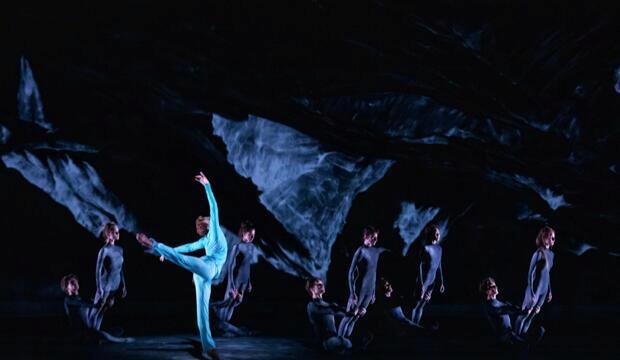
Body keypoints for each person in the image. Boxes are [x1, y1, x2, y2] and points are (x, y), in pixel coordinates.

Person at [136, 171, 227, 360]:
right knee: (200, 307)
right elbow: (214, 208)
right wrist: (207, 185)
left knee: (201, 311)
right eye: (207, 219)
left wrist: (170, 254)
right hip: (205, 269)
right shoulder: (214, 232)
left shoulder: (210, 237)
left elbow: (188, 247)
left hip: (205, 269)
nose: (209, 218)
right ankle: (154, 245)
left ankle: (208, 347)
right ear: (208, 224)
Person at [338, 226, 387, 338]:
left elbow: (373, 273)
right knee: (349, 317)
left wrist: (373, 291)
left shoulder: (374, 251)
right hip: (359, 290)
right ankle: (338, 342)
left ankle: (345, 343)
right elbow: (351, 272)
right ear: (366, 236)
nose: (375, 240)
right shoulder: (361, 250)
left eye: (376, 238)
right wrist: (352, 292)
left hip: (369, 292)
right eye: (373, 237)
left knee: (355, 319)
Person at [212, 220, 257, 336]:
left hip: (244, 280)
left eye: (253, 235)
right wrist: (231, 283)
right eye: (249, 234)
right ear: (243, 233)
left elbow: (248, 265)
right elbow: (230, 265)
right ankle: (219, 316)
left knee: (236, 302)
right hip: (235, 280)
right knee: (230, 301)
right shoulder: (237, 247)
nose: (252, 236)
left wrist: (249, 282)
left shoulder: (251, 247)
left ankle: (219, 316)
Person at [60, 274, 133, 343]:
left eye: (75, 281)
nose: (75, 283)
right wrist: (103, 302)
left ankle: (100, 338)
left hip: (90, 330)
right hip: (80, 334)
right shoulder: (68, 300)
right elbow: (90, 305)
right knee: (101, 334)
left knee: (119, 330)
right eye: (72, 282)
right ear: (66, 288)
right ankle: (121, 340)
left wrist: (108, 303)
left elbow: (95, 306)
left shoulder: (81, 297)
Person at [515, 226, 556, 336]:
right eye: (551, 238)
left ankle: (521, 338)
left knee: (532, 317)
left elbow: (548, 274)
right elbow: (530, 273)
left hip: (543, 291)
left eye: (554, 238)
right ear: (545, 237)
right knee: (524, 315)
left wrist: (550, 291)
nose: (553, 240)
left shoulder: (551, 254)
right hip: (535, 291)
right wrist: (532, 292)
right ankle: (515, 338)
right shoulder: (538, 253)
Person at [92, 222, 127, 331]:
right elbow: (97, 270)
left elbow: (120, 269)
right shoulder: (104, 250)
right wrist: (99, 288)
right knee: (99, 310)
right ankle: (93, 332)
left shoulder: (120, 249)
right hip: (105, 286)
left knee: (105, 309)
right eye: (113, 231)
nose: (117, 233)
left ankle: (95, 332)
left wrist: (124, 285)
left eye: (117, 231)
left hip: (115, 286)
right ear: (108, 234)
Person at [410, 224, 445, 325]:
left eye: (439, 233)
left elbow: (439, 265)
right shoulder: (425, 248)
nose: (438, 235)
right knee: (415, 305)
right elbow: (419, 266)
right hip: (423, 281)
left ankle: (416, 326)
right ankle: (411, 327)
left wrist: (441, 282)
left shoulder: (439, 249)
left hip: (431, 283)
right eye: (436, 233)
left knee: (421, 306)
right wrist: (420, 284)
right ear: (431, 234)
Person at [306, 278, 352, 353]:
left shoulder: (327, 304)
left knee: (346, 342)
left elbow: (343, 314)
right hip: (324, 343)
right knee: (344, 343)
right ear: (311, 289)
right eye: (318, 284)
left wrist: (357, 311)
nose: (322, 285)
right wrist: (346, 310)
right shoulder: (311, 305)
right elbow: (329, 310)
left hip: (334, 339)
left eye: (322, 284)